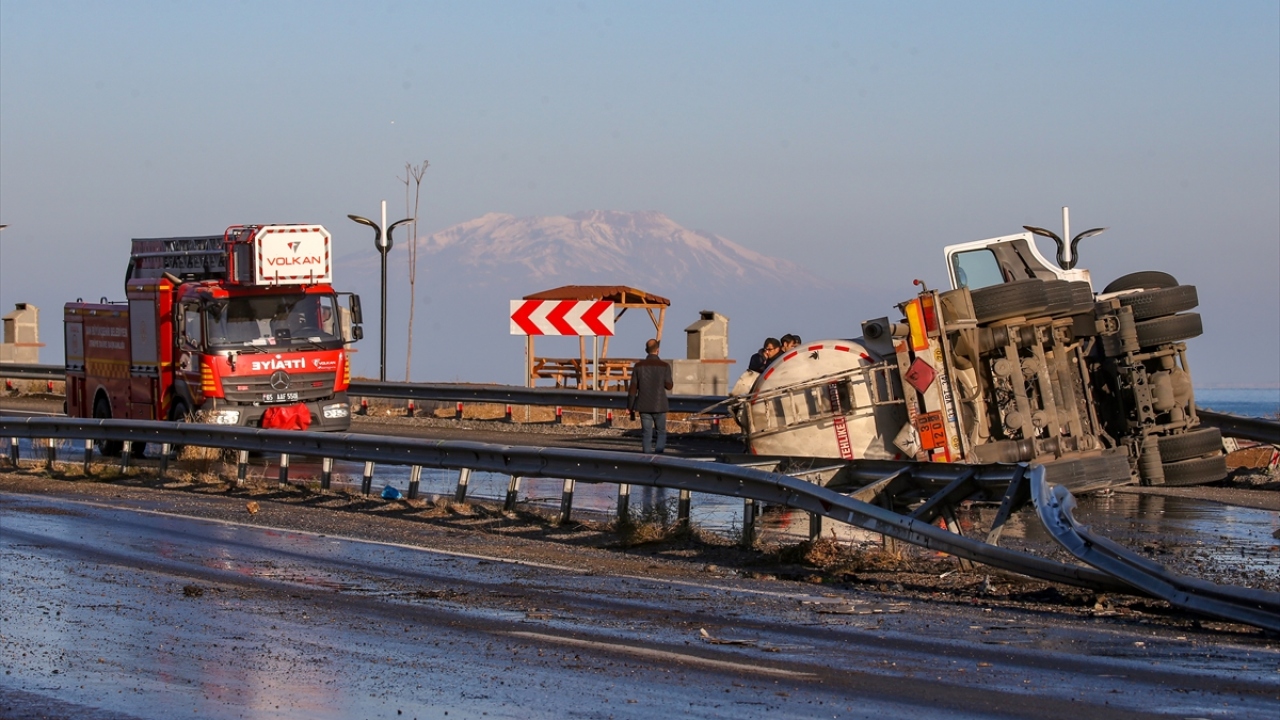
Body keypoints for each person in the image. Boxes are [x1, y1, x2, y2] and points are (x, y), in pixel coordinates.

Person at [627, 338, 673, 454]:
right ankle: (658, 456)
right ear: (658, 350)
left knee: (646, 433)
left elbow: (633, 389)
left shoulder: (638, 366)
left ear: (646, 350)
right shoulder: (665, 366)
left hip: (644, 405)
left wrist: (630, 406)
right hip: (660, 405)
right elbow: (669, 386)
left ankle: (647, 458)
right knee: (661, 432)